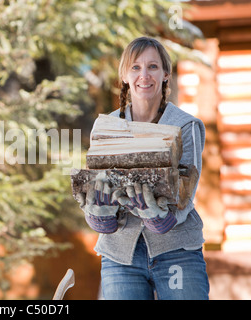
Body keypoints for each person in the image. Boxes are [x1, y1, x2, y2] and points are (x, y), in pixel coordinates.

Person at [77, 36, 210, 300]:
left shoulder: (185, 126)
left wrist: (159, 217)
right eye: (135, 67)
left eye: (152, 67)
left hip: (176, 251)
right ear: (125, 76)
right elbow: (98, 184)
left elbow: (184, 196)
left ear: (165, 75)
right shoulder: (106, 127)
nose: (144, 75)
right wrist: (100, 215)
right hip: (120, 255)